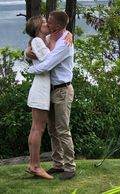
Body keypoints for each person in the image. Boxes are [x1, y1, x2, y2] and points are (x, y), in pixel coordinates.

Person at [27, 11, 76, 180]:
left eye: (49, 22)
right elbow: (34, 45)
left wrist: (29, 70)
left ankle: (70, 167)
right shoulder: (51, 38)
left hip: (62, 89)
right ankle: (58, 164)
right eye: (45, 22)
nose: (47, 24)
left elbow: (47, 64)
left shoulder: (64, 43)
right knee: (53, 130)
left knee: (62, 130)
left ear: (57, 26)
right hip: (51, 89)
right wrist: (26, 52)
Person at [25, 15, 57, 179]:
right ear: (37, 26)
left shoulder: (39, 42)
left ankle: (33, 164)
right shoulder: (38, 41)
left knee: (36, 128)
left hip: (41, 89)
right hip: (40, 90)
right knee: (38, 128)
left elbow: (43, 57)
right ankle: (35, 166)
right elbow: (49, 60)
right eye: (44, 22)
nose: (47, 24)